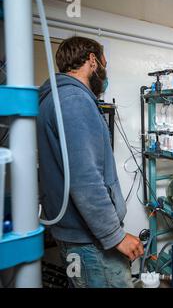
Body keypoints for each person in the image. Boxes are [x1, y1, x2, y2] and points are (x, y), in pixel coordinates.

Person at [37, 36, 144, 288]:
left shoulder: (54, 98)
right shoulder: (74, 100)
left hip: (76, 236)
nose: (105, 75)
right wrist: (115, 236)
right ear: (93, 61)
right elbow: (85, 180)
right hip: (91, 243)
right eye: (104, 64)